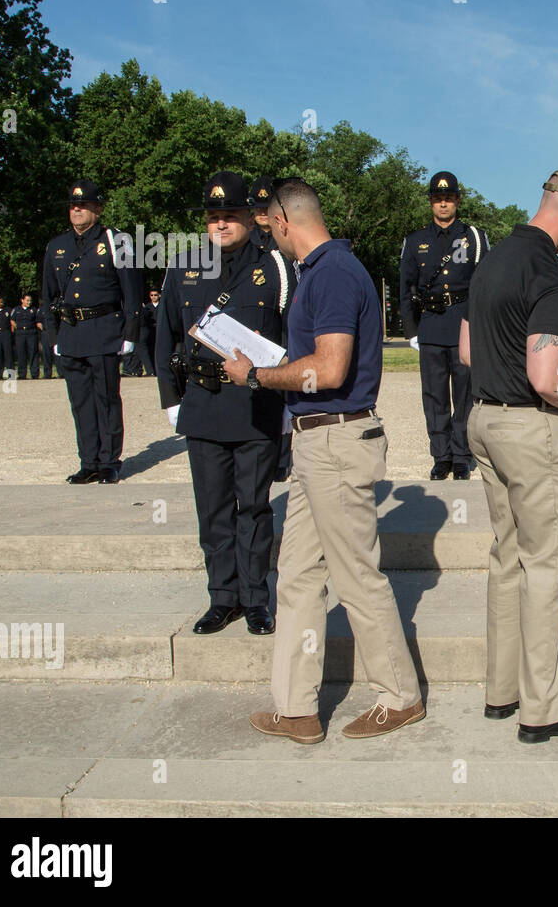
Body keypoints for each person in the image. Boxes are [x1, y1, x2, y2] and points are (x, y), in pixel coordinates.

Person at [234, 178, 423, 744]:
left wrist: (257, 375)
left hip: (337, 442)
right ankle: (296, 708)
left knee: (356, 577)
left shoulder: (334, 273)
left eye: (269, 227)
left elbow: (332, 368)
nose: (269, 237)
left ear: (286, 220)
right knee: (296, 576)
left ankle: (401, 696)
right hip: (318, 441)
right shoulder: (320, 273)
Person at [461, 168, 558, 743]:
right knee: (547, 568)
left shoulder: (491, 258)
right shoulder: (553, 274)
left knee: (507, 560)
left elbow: (469, 351)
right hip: (531, 429)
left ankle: (501, 692)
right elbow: (548, 377)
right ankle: (542, 708)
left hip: (484, 421)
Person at [154, 172, 292, 636]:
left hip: (256, 405)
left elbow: (290, 333)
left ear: (249, 220)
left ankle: (256, 599)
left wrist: (290, 403)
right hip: (204, 402)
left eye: (229, 215)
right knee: (212, 509)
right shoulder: (183, 267)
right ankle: (222, 598)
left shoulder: (275, 268)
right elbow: (166, 335)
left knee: (253, 507)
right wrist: (171, 399)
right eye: (213, 217)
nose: (221, 224)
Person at [41, 179, 141, 483]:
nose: (77, 209)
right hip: (71, 333)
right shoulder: (57, 246)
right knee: (80, 402)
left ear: (97, 208)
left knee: (106, 398)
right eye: (73, 205)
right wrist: (54, 338)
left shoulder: (117, 241)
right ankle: (88, 461)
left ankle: (110, 460)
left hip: (104, 330)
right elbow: (47, 296)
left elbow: (132, 292)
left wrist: (130, 334)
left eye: (83, 204)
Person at [399, 171, 489, 480]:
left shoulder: (473, 237)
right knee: (435, 396)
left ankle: (462, 455)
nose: (443, 204)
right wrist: (411, 330)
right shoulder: (415, 241)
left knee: (464, 394)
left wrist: (479, 326)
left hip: (463, 324)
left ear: (457, 201)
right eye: (438, 199)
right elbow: (405, 286)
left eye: (448, 199)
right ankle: (441, 456)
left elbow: (484, 285)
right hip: (431, 326)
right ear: (431, 203)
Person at [249, 174, 296, 483]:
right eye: (257, 208)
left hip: (279, 327)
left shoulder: (285, 244)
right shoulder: (247, 243)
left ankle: (282, 457)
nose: (262, 215)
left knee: (281, 392)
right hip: (252, 328)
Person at [11, 295, 40, 379]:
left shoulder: (34, 310)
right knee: (21, 353)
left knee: (33, 353)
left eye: (30, 301)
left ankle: (34, 374)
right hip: (20, 334)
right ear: (22, 300)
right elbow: (12, 321)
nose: (29, 302)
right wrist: (18, 328)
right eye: (27, 300)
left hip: (31, 333)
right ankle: (22, 374)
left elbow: (37, 321)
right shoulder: (16, 310)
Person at [0, 296, 14, 378]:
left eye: (1, 302)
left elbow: (12, 322)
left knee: (8, 354)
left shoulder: (9, 310)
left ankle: (11, 374)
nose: (0, 304)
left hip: (6, 333)